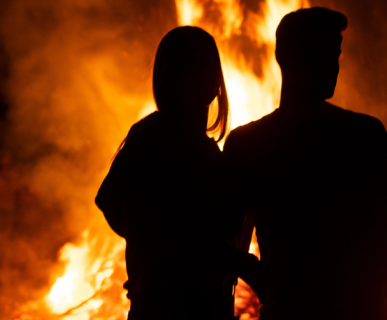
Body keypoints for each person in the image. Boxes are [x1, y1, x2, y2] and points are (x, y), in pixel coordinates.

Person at [224, 7, 387, 320]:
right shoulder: (364, 136)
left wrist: (253, 271)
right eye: (320, 54)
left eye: (335, 55)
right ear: (285, 58)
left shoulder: (366, 137)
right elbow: (226, 245)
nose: (333, 66)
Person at [95, 26, 265, 319]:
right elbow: (183, 238)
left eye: (207, 66)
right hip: (171, 307)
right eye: (190, 67)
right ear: (170, 78)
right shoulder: (157, 140)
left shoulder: (199, 148)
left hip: (195, 305)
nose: (201, 76)